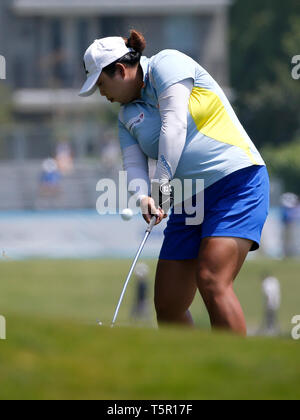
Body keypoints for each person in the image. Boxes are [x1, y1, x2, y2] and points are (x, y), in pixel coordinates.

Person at [79, 30, 270, 336]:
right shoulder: (127, 116)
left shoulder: (168, 64)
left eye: (102, 84)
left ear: (121, 69)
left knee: (212, 279)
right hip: (188, 201)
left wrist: (163, 185)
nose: (103, 94)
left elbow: (174, 125)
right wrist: (143, 197)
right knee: (168, 304)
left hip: (237, 183)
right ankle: (197, 373)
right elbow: (133, 163)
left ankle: (238, 374)